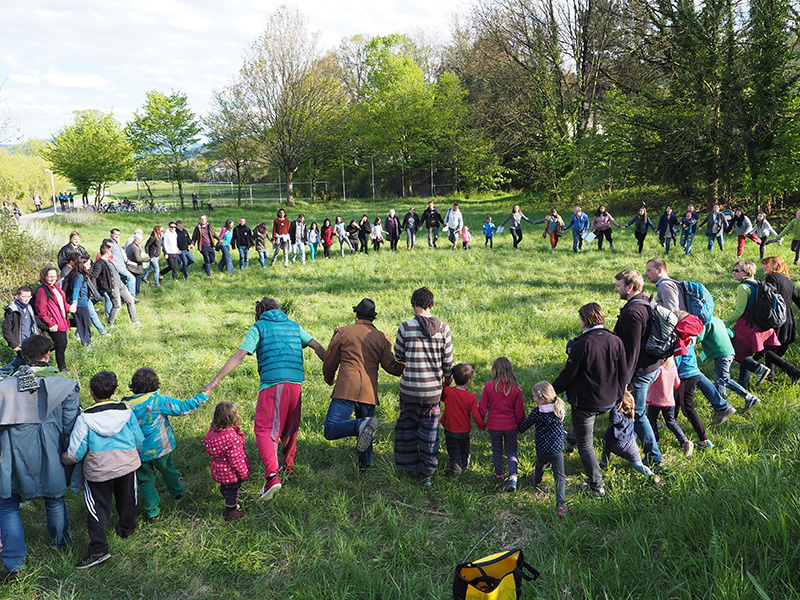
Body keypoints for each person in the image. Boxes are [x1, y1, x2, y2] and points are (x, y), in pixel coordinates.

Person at [203, 298, 325, 501]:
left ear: (260, 313)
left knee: (264, 429)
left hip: (272, 384)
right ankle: (287, 468)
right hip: (296, 383)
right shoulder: (294, 326)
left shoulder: (259, 327)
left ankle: (271, 476)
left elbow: (240, 355)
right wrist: (332, 372)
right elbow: (317, 347)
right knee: (289, 427)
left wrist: (215, 380)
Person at [0, 335, 80, 581]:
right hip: (50, 446)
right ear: (48, 355)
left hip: (11, 448)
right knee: (55, 498)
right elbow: (69, 425)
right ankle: (61, 545)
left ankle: (14, 566)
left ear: (23, 356)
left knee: (7, 504)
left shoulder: (3, 386)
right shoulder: (64, 385)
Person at [61, 370, 144, 570]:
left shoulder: (85, 418)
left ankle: (99, 549)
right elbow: (138, 440)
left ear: (90, 392)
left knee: (97, 507)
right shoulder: (127, 410)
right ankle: (127, 530)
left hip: (98, 472)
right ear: (115, 390)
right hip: (126, 466)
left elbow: (76, 453)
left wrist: (64, 458)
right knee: (127, 499)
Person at [643, 258, 735, 424]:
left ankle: (720, 406)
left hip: (678, 338)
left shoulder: (665, 285)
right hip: (683, 336)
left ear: (660, 270)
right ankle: (673, 418)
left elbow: (671, 314)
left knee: (687, 374)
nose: (646, 273)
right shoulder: (671, 284)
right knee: (687, 374)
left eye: (649, 270)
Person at [322, 298, 405, 473]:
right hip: (369, 391)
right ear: (372, 318)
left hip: (345, 389)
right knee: (367, 428)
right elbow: (390, 366)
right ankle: (365, 466)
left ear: (356, 315)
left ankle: (359, 425)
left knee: (330, 429)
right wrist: (410, 368)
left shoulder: (343, 333)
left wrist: (329, 379)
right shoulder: (381, 338)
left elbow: (330, 361)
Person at [554, 303, 626, 497]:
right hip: (610, 400)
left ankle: (597, 486)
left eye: (580, 319)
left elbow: (568, 374)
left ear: (585, 320)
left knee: (586, 445)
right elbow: (624, 372)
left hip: (586, 403)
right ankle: (569, 440)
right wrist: (620, 394)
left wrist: (551, 391)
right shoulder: (615, 340)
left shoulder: (581, 344)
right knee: (582, 431)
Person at [123, 368, 209, 524]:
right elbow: (183, 408)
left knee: (145, 481)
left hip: (138, 452)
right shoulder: (158, 401)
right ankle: (177, 493)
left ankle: (152, 513)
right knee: (168, 470)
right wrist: (203, 396)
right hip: (161, 448)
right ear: (155, 384)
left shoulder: (125, 406)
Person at [393, 287, 454, 486]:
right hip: (432, 393)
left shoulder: (405, 327)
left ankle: (410, 467)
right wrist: (447, 377)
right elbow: (448, 362)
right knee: (430, 433)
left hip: (409, 390)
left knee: (407, 429)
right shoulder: (444, 328)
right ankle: (427, 471)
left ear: (414, 305)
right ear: (431, 305)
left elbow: (399, 356)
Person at [613, 269, 663, 465]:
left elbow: (632, 351)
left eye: (618, 286)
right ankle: (630, 446)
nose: (616, 289)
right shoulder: (645, 300)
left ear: (630, 287)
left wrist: (624, 382)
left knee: (638, 414)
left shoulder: (633, 312)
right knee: (636, 412)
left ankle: (655, 457)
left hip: (641, 370)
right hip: (652, 365)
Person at [725, 260, 778, 391]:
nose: (733, 272)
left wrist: (724, 324)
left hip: (747, 325)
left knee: (734, 350)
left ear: (746, 273)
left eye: (737, 270)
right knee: (745, 352)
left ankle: (758, 369)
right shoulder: (758, 283)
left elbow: (739, 311)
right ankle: (744, 384)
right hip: (761, 325)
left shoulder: (743, 287)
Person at [518, 381, 566, 516]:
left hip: (542, 449)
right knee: (560, 478)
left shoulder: (537, 412)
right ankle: (561, 506)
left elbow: (524, 426)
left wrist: (518, 428)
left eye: (534, 396)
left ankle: (537, 480)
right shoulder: (559, 409)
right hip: (556, 450)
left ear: (542, 398)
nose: (533, 399)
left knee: (540, 466)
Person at [479, 357, 525, 492]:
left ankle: (499, 474)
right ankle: (513, 477)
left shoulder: (489, 386)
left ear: (495, 371)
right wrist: (521, 424)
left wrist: (480, 422)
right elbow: (520, 411)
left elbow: (482, 407)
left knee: (497, 450)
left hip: (494, 426)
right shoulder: (516, 389)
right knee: (511, 451)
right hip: (511, 426)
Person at [696, 315, 760, 414]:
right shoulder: (719, 320)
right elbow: (731, 333)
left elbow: (698, 338)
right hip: (730, 352)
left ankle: (749, 397)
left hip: (721, 354)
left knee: (724, 379)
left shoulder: (705, 323)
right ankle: (722, 402)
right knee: (718, 376)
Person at [203, 402, 250, 522]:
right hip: (231, 473)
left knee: (225, 486)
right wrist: (243, 473)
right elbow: (236, 460)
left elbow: (206, 442)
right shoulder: (232, 437)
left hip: (218, 469)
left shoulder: (213, 431)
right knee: (232, 491)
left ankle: (224, 492)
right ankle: (231, 512)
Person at [600, 391, 661, 482]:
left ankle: (604, 463)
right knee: (638, 465)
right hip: (632, 446)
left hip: (617, 444)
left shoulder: (619, 418)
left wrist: (614, 406)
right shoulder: (631, 417)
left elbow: (613, 418)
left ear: (619, 405)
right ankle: (651, 475)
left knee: (606, 445)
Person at [441, 363, 485, 476]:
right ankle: (463, 466)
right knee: (464, 448)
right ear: (469, 380)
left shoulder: (448, 392)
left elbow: (441, 393)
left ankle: (456, 469)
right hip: (465, 430)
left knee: (453, 450)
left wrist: (447, 382)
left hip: (450, 429)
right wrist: (481, 425)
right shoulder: (471, 397)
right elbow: (475, 414)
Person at [761, 256, 800, 382]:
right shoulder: (789, 281)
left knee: (764, 348)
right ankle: (770, 380)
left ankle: (793, 371)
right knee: (772, 350)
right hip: (788, 321)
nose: (762, 267)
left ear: (774, 266)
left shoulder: (771, 278)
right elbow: (798, 301)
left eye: (765, 264)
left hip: (776, 320)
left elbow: (769, 299)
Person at [646, 357, 692, 456]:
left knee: (651, 419)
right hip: (669, 401)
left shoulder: (657, 369)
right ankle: (684, 441)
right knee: (671, 422)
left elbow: (649, 381)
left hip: (654, 400)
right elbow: (677, 384)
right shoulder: (673, 368)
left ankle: (655, 441)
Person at [93, 239, 141, 328]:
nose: (112, 252)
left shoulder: (109, 260)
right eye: (111, 250)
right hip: (112, 287)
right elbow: (94, 276)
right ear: (107, 252)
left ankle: (134, 321)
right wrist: (95, 290)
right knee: (117, 305)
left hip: (120, 284)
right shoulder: (99, 263)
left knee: (130, 301)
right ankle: (110, 324)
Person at [33, 266, 70, 372]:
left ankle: (35, 356)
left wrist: (69, 307)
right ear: (44, 276)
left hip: (61, 319)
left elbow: (60, 303)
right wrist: (50, 323)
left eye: (54, 276)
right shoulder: (42, 290)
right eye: (50, 276)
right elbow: (41, 310)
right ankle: (62, 369)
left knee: (58, 344)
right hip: (54, 321)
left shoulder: (55, 287)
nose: (53, 278)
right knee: (61, 344)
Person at [1, 286, 38, 376]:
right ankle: (2, 372)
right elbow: (6, 328)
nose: (26, 299)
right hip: (19, 341)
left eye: (28, 297)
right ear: (17, 297)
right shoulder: (13, 310)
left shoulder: (29, 307)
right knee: (23, 359)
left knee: (26, 360)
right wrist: (13, 344)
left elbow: (33, 322)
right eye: (23, 296)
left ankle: (17, 376)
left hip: (29, 340)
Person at [67, 256, 93, 348]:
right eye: (88, 264)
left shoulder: (75, 273)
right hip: (80, 304)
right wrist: (75, 303)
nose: (90, 266)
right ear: (82, 264)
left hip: (82, 302)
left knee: (82, 323)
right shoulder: (79, 276)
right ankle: (87, 345)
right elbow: (76, 290)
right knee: (84, 325)